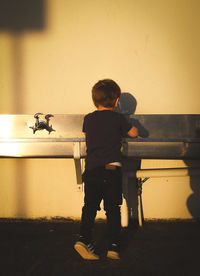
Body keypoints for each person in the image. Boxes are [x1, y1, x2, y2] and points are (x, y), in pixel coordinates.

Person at [74, 79, 138, 260]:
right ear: (117, 101)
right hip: (111, 170)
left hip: (92, 170)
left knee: (89, 207)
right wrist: (129, 125)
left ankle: (84, 239)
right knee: (112, 208)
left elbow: (87, 134)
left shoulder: (88, 118)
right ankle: (113, 246)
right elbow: (133, 133)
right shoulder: (118, 118)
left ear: (94, 101)